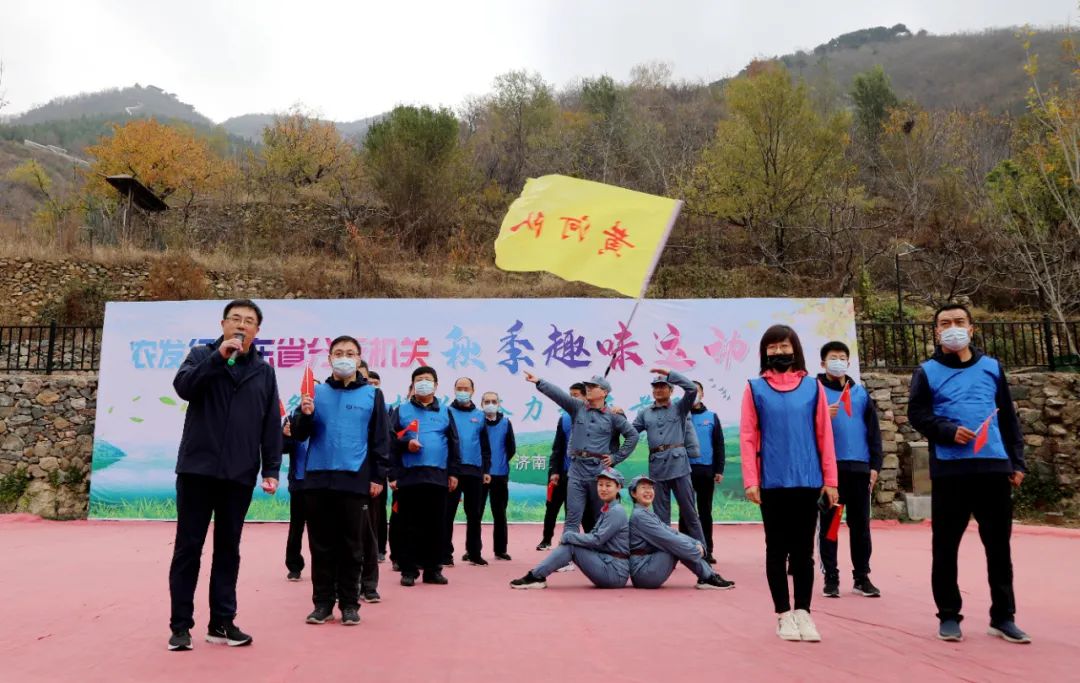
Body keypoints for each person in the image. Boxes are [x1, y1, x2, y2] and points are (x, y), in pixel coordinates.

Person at [908, 304, 1030, 644]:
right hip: (950, 471)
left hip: (993, 469)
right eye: (945, 323)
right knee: (945, 548)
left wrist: (1016, 462)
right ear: (936, 332)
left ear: (972, 329)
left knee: (999, 548)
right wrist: (947, 430)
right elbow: (916, 414)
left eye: (959, 322)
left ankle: (1003, 617)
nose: (953, 328)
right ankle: (949, 615)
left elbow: (1008, 420)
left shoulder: (992, 367)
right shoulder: (926, 372)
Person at [167, 299, 282, 652]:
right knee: (189, 547)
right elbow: (184, 388)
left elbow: (270, 423)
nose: (241, 325)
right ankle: (181, 626)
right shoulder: (201, 356)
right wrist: (219, 358)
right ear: (222, 324)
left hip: (239, 473)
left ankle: (222, 622)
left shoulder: (263, 371)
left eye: (249, 321)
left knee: (228, 549)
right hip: (197, 469)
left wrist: (272, 468)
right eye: (235, 319)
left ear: (258, 331)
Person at [740, 324, 838, 643]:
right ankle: (783, 614)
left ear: (795, 348)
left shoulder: (813, 388)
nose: (779, 352)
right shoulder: (755, 389)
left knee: (803, 553)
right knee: (776, 550)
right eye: (773, 347)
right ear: (764, 352)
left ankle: (803, 612)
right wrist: (751, 481)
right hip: (772, 482)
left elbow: (825, 434)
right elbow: (748, 436)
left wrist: (830, 480)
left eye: (785, 346)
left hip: (808, 480)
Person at [290, 335, 389, 625]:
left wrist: (378, 476)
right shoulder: (315, 393)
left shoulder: (372, 395)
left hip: (354, 479)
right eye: (338, 353)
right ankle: (322, 603)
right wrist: (305, 415)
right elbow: (298, 434)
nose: (344, 357)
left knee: (352, 545)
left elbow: (380, 440)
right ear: (330, 359)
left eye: (350, 353)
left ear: (359, 359)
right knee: (321, 545)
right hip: (318, 479)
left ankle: (349, 603)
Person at [523, 371, 638, 540]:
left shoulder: (613, 417)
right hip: (576, 470)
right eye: (588, 386)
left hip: (598, 472)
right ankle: (567, 555)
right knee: (572, 518)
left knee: (600, 517)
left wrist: (615, 458)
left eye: (593, 387)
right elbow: (558, 395)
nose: (588, 389)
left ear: (604, 392)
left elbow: (633, 436)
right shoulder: (577, 408)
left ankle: (601, 553)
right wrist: (539, 381)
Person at [816, 341, 884, 599]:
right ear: (823, 363)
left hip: (859, 470)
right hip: (830, 474)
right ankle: (831, 577)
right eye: (833, 357)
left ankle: (862, 577)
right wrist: (822, 414)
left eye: (843, 357)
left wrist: (875, 465)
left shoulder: (860, 394)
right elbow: (806, 430)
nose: (838, 361)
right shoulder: (815, 391)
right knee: (830, 527)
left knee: (860, 527)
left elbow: (874, 432)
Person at [389, 366, 460, 587]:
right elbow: (390, 441)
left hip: (438, 476)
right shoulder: (401, 411)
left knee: (436, 525)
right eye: (419, 379)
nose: (423, 383)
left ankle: (432, 569)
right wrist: (404, 446)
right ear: (412, 385)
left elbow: (454, 443)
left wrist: (454, 472)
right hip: (409, 476)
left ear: (436, 385)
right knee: (409, 524)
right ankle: (408, 570)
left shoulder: (446, 412)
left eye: (428, 380)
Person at [510, 468, 631, 589]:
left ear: (618, 487)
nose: (603, 489)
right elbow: (595, 537)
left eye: (608, 485)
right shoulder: (608, 508)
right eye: (600, 485)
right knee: (571, 543)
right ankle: (537, 575)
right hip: (608, 564)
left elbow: (597, 539)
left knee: (571, 546)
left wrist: (569, 536)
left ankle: (536, 576)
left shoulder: (616, 511)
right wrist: (571, 538)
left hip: (614, 572)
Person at [631, 369, 706, 546]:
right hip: (657, 469)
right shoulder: (645, 413)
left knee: (689, 513)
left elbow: (691, 389)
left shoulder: (680, 408)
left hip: (679, 466)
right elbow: (631, 432)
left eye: (663, 386)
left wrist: (670, 374)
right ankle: (666, 554)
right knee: (661, 517)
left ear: (671, 390)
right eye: (655, 387)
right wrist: (616, 417)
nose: (658, 390)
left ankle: (702, 552)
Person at [627, 474, 734, 590]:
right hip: (643, 573)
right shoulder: (639, 516)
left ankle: (709, 575)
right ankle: (708, 577)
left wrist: (695, 543)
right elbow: (668, 538)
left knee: (676, 544)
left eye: (650, 488)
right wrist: (694, 550)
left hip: (648, 565)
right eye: (643, 488)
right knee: (674, 546)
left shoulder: (647, 513)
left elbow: (672, 532)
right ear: (634, 494)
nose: (648, 491)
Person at [538, 383, 596, 550]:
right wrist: (554, 471)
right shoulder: (564, 419)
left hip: (583, 474)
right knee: (552, 508)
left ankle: (589, 542)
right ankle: (546, 540)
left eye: (576, 395)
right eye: (569, 394)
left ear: (586, 396)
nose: (571, 398)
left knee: (584, 511)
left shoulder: (594, 417)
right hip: (563, 472)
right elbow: (557, 448)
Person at [444, 377, 489, 567]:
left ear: (473, 390)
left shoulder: (480, 416)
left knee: (474, 514)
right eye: (459, 388)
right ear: (454, 390)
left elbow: (485, 447)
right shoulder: (446, 412)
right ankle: (445, 553)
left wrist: (486, 469)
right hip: (452, 472)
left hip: (474, 472)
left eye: (466, 388)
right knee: (447, 514)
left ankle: (474, 552)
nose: (462, 391)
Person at [681, 381, 725, 564]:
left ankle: (707, 550)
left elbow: (719, 444)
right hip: (684, 470)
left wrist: (719, 469)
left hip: (706, 470)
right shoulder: (680, 416)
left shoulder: (711, 417)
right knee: (686, 512)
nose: (694, 395)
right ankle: (683, 551)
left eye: (697, 391)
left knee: (705, 511)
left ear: (702, 394)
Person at [480, 391, 516, 561]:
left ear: (499, 404)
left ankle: (500, 550)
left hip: (500, 475)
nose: (490, 404)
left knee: (499, 513)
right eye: (487, 401)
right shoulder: (477, 422)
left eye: (493, 401)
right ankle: (473, 550)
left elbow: (511, 448)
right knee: (475, 514)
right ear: (481, 404)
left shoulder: (506, 423)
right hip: (479, 475)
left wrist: (500, 463)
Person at [366, 371, 389, 563]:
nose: (372, 385)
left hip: (378, 472)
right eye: (369, 381)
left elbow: (386, 439)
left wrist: (381, 474)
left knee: (379, 513)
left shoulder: (386, 407)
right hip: (356, 472)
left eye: (376, 382)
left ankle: (380, 548)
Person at [283, 417, 308, 581]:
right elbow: (283, 449)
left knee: (322, 530)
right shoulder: (291, 418)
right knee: (296, 526)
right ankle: (294, 565)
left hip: (320, 482)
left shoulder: (326, 414)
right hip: (299, 481)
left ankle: (324, 568)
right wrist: (285, 436)